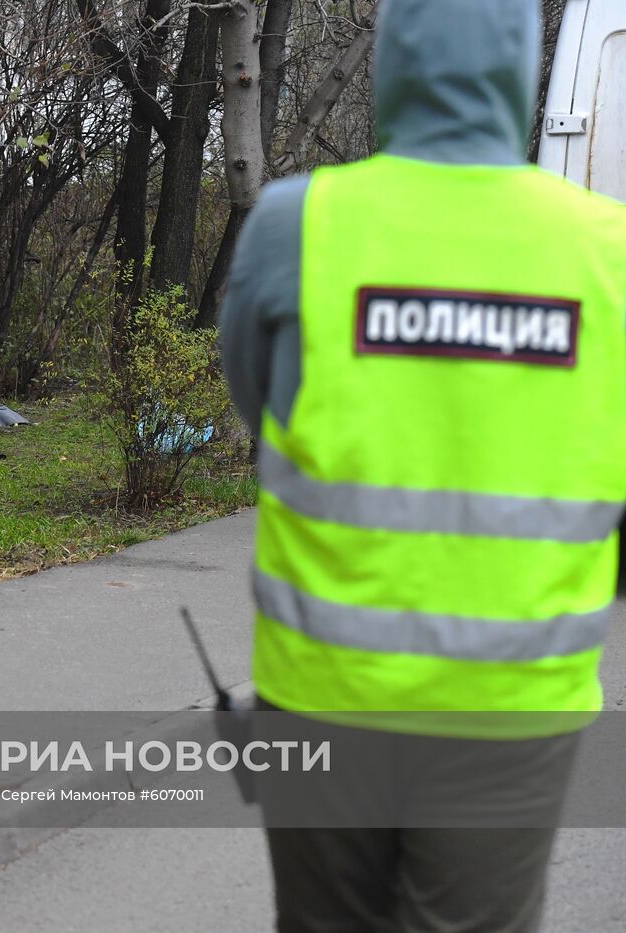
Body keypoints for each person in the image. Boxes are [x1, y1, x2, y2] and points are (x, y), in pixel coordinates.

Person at [221, 0, 626, 930]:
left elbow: (259, 402)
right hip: (514, 704)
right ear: (524, 63)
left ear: (393, 55)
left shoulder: (298, 224)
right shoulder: (608, 255)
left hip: (323, 690)